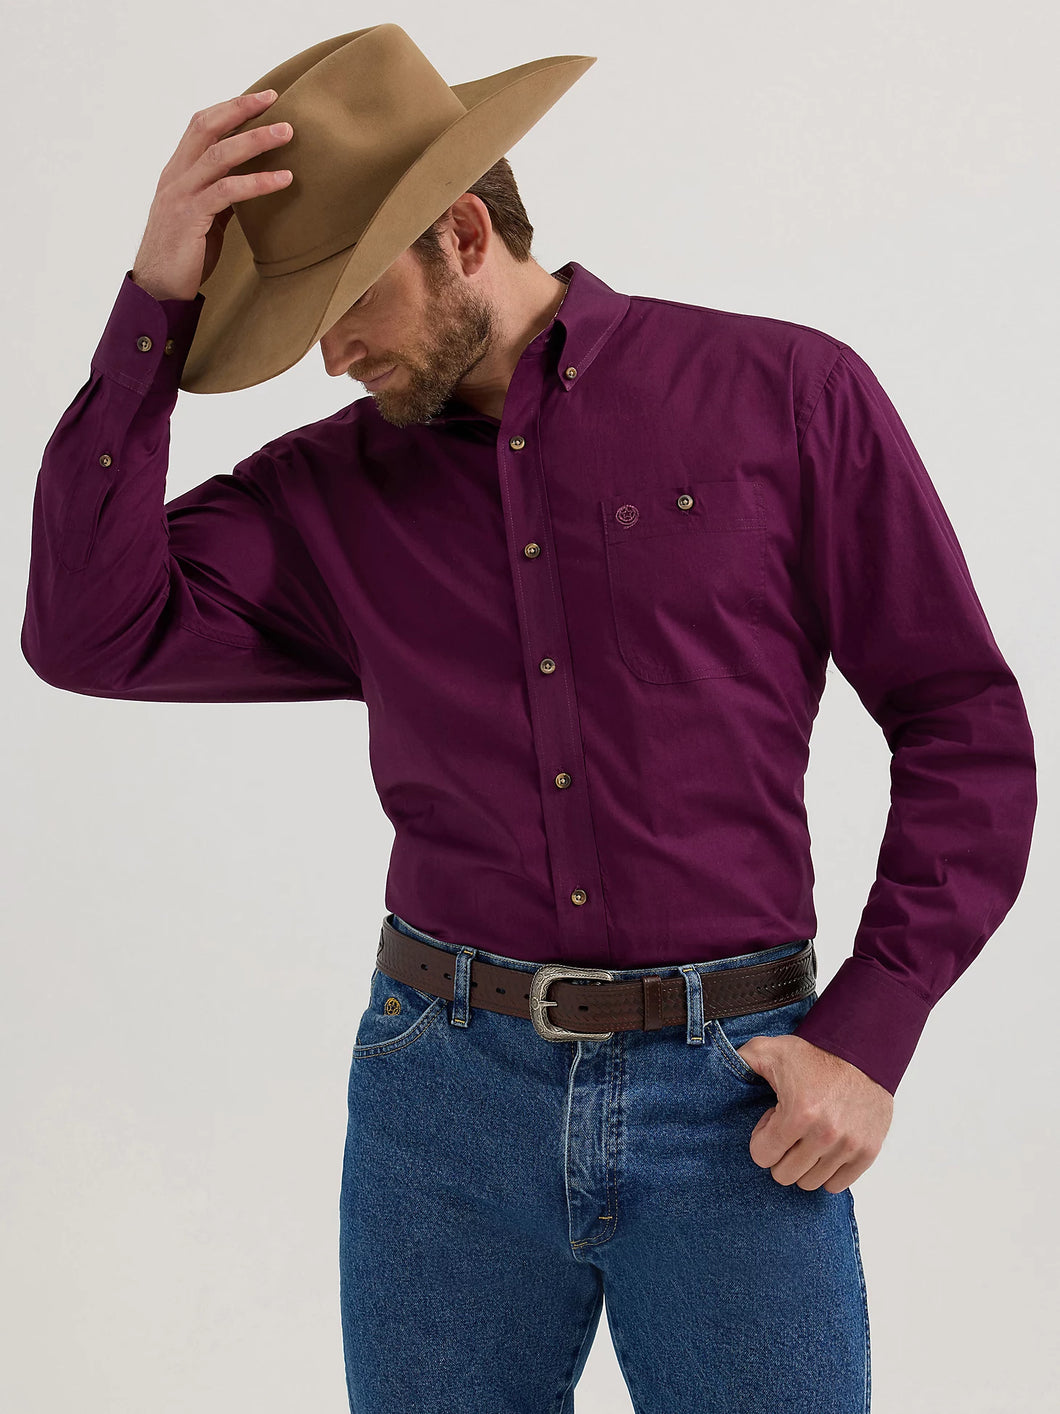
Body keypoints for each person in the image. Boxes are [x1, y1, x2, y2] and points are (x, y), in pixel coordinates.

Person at [20, 24, 1036, 1414]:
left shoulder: (784, 397)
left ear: (462, 231)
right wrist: (154, 306)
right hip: (441, 1102)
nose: (332, 355)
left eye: (348, 299)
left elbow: (961, 719)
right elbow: (87, 631)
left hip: (737, 1100)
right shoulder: (323, 493)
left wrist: (873, 1028)